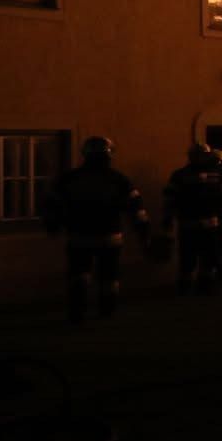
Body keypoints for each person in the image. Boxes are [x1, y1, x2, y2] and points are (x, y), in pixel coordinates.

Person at [41, 136, 150, 323]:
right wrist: (143, 232)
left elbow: (52, 205)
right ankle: (106, 312)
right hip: (110, 236)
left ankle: (77, 312)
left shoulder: (69, 179)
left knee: (79, 275)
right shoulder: (118, 179)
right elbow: (136, 208)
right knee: (109, 276)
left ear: (85, 154)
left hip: (78, 235)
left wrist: (53, 225)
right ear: (109, 155)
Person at [163, 142, 222, 294]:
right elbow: (170, 198)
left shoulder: (216, 174)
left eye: (203, 155)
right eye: (198, 155)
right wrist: (167, 217)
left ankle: (206, 286)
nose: (201, 158)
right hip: (189, 223)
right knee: (188, 258)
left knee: (209, 258)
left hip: (208, 223)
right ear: (191, 157)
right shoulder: (180, 175)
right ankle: (186, 286)